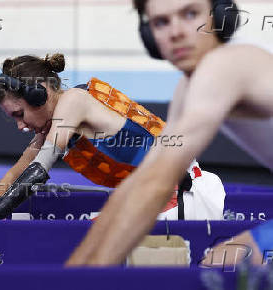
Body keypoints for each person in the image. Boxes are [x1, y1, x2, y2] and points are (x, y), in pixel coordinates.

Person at [66, 0, 273, 266]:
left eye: (189, 14)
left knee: (221, 266)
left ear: (219, 17)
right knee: (218, 264)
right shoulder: (187, 89)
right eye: (161, 22)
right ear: (149, 36)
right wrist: (75, 270)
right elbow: (139, 185)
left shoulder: (224, 65)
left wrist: (83, 276)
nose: (175, 32)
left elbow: (157, 184)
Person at [0, 53, 225, 221]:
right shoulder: (57, 125)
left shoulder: (74, 102)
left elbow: (37, 172)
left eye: (19, 114)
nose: (20, 126)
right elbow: (11, 180)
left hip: (184, 196)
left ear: (40, 93)